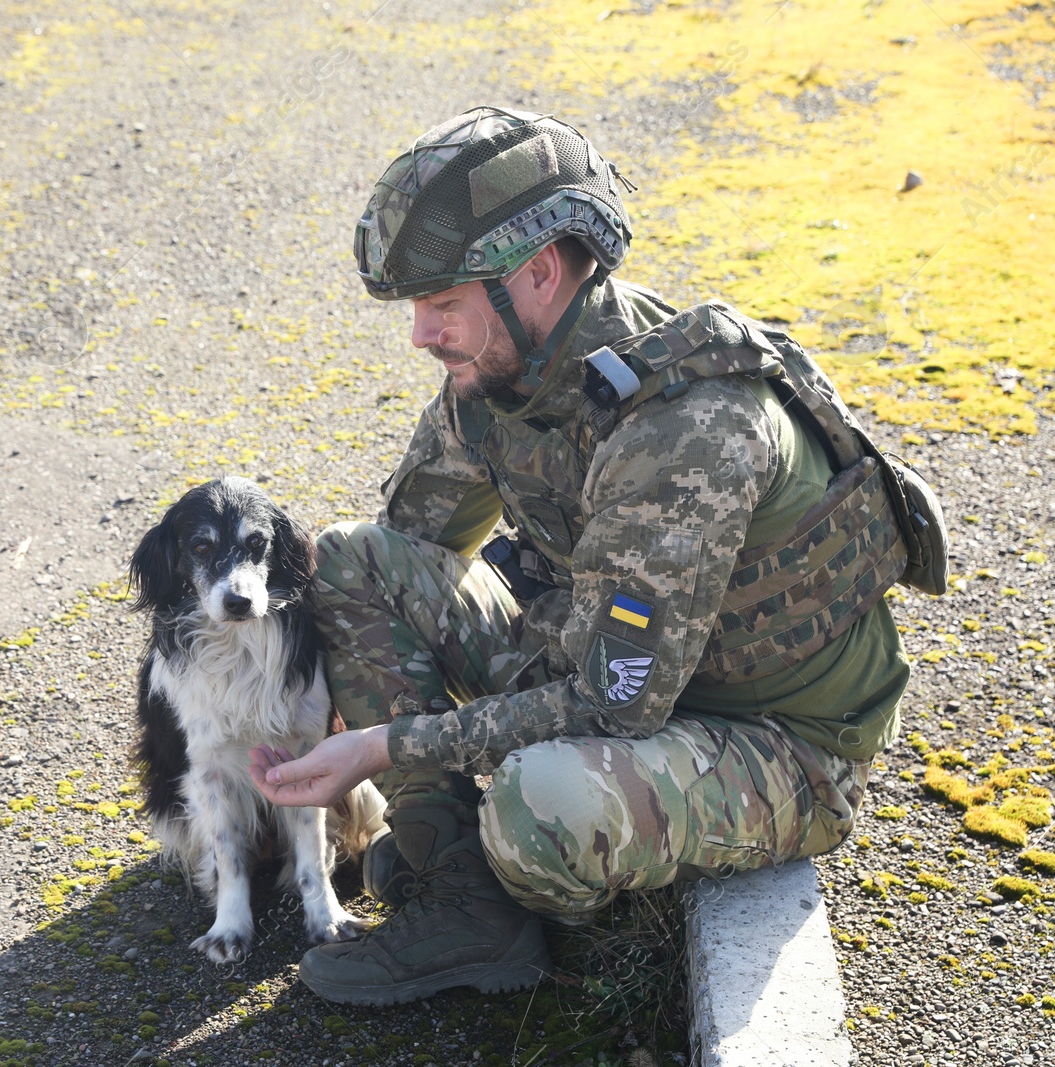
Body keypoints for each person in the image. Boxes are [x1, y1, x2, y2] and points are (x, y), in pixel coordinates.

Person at [248, 105, 928, 1007]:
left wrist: (389, 740)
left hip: (777, 747)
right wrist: (359, 713)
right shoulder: (501, 376)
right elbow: (404, 552)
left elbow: (617, 704)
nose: (421, 333)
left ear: (536, 274)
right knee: (349, 560)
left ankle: (510, 880)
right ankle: (460, 894)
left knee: (538, 805)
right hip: (622, 671)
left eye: (442, 303)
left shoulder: (682, 428)